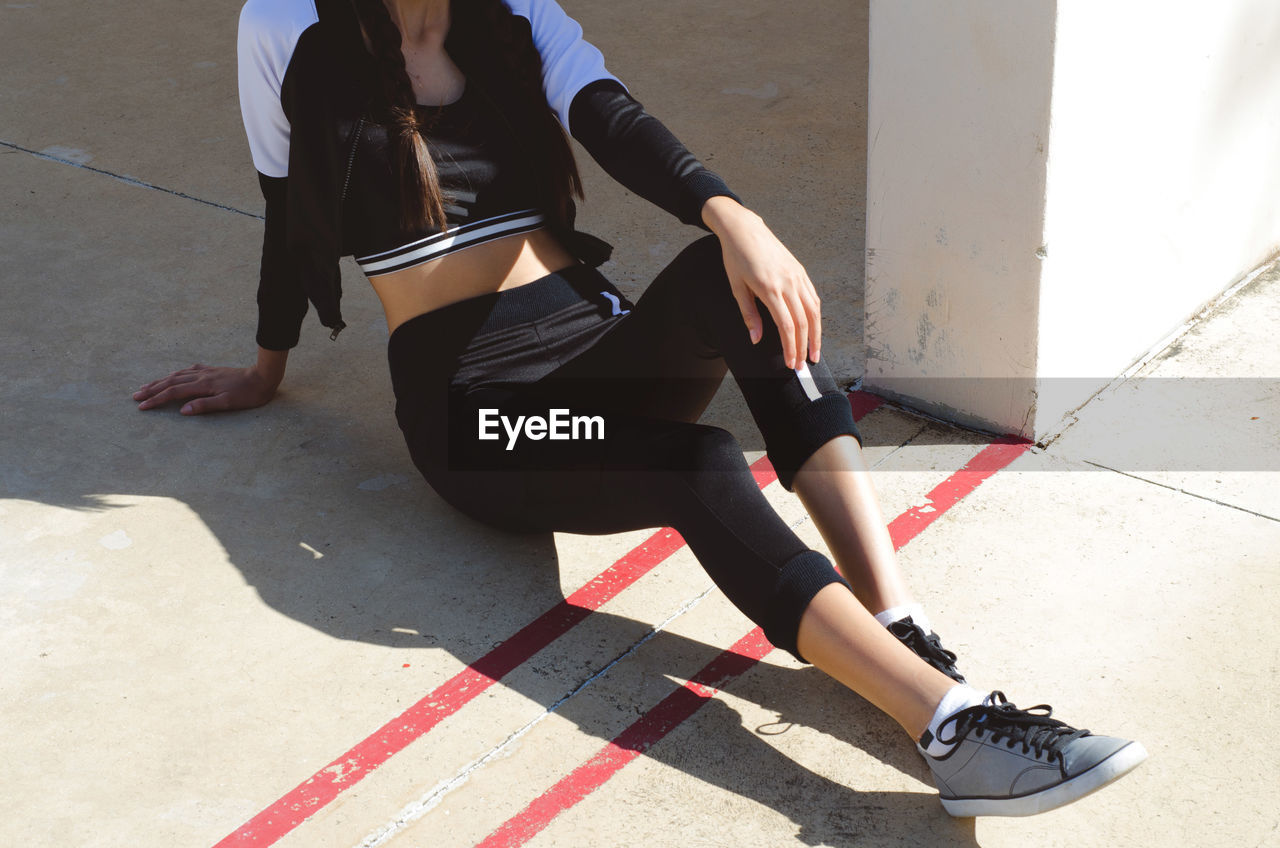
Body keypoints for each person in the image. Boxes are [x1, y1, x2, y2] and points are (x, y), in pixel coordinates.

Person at [133, 0, 1146, 817]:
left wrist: (732, 214)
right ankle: (953, 725)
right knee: (697, 462)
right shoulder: (283, 26)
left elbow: (613, 118)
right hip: (475, 417)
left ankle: (895, 616)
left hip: (591, 341)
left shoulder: (514, 15)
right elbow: (284, 210)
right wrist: (265, 368)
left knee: (727, 275)